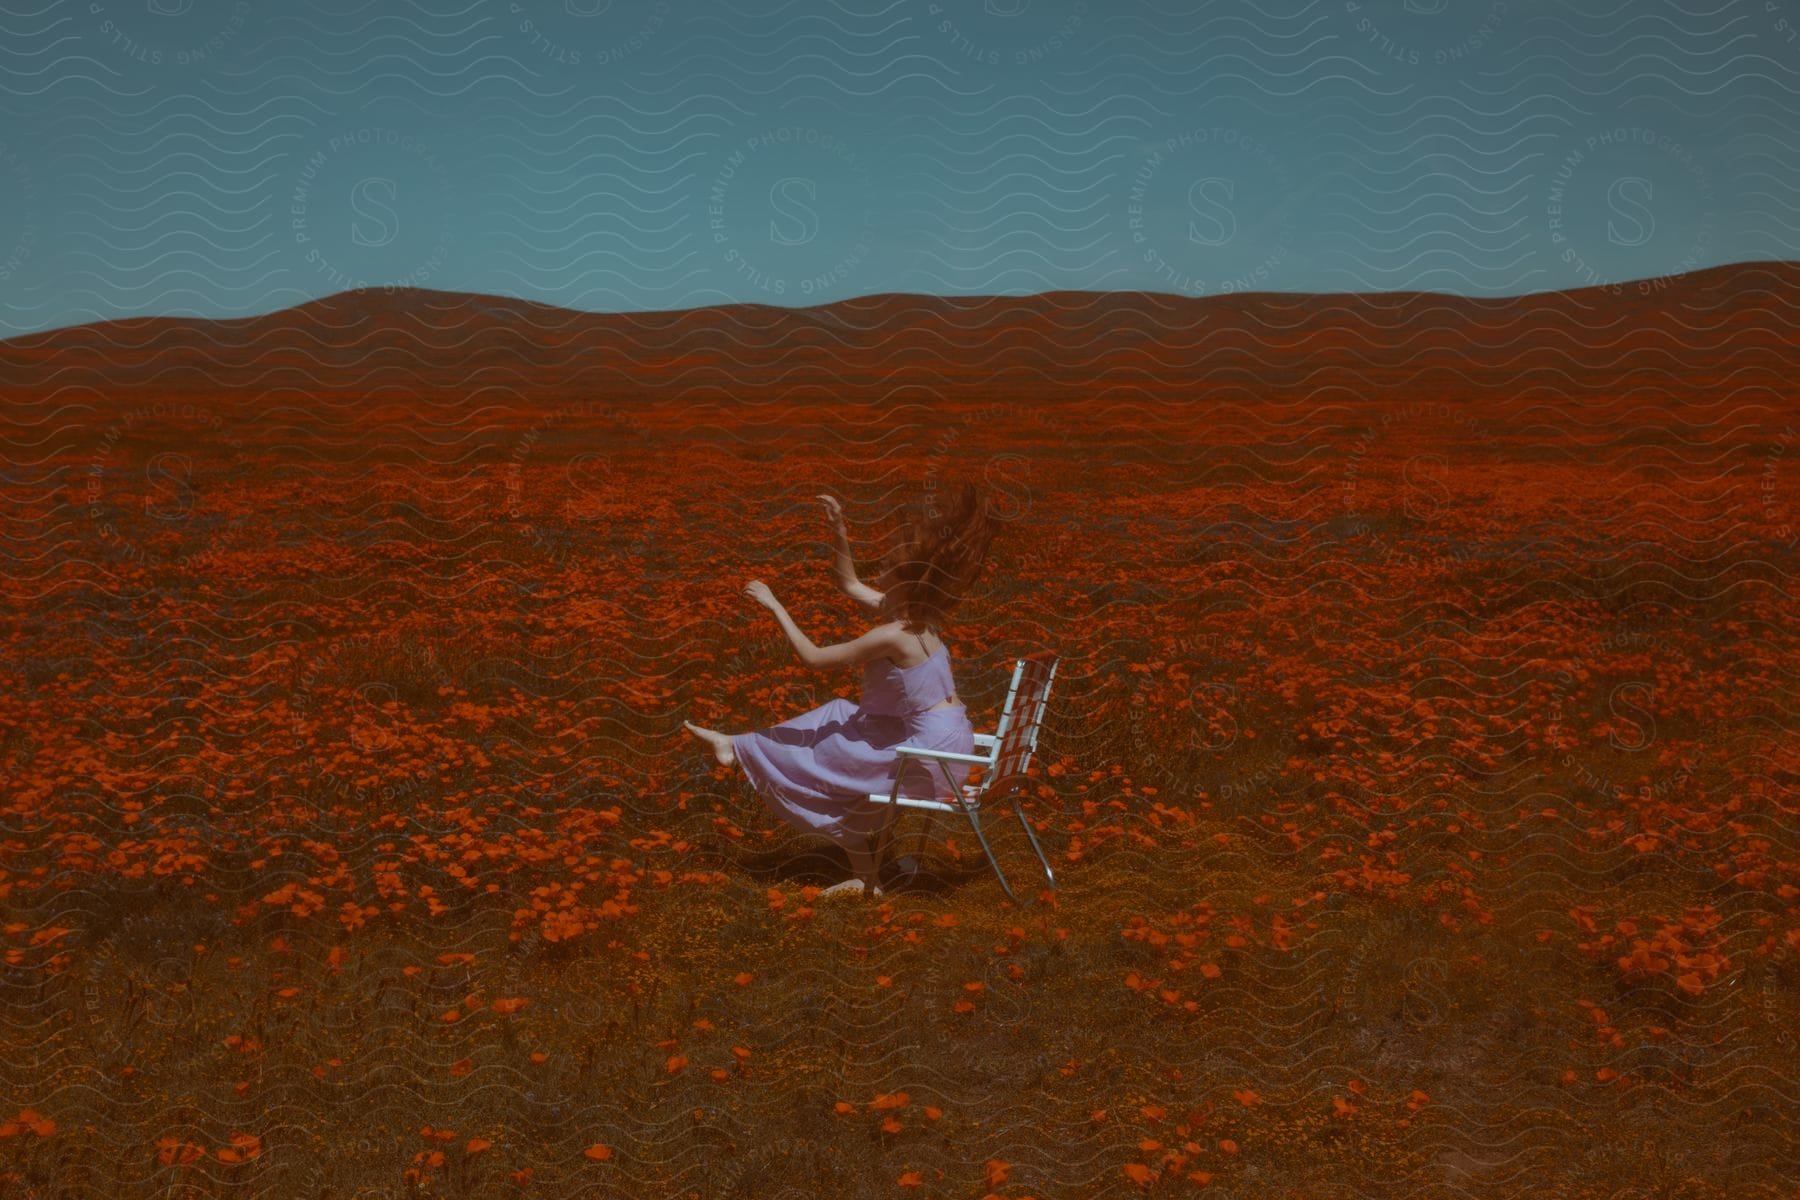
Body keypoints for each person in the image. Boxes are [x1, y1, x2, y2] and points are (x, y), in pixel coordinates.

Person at [683, 482, 1000, 898]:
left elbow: (814, 659)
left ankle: (743, 752)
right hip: (945, 740)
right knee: (836, 715)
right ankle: (739, 746)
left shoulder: (892, 635)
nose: (880, 571)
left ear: (901, 582)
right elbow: (848, 584)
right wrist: (839, 530)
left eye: (886, 567)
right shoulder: (919, 617)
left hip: (929, 754)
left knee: (829, 761)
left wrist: (775, 604)